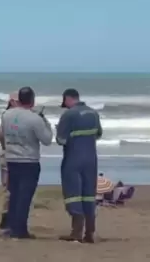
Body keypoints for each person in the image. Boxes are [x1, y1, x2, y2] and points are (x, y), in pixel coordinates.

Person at [0, 87, 52, 239]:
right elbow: (47, 139)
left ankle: (13, 226)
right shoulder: (34, 118)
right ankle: (20, 229)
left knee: (14, 194)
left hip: (12, 159)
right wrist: (45, 121)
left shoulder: (6, 115)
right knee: (25, 196)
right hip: (29, 160)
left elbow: (2, 132)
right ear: (32, 100)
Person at [56, 88, 102, 244]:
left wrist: (59, 131)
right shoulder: (93, 113)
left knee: (73, 194)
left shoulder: (68, 115)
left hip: (73, 159)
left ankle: (76, 232)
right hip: (91, 159)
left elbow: (61, 140)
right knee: (89, 195)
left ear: (68, 99)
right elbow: (99, 134)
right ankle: (90, 232)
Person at [0, 91, 18, 230]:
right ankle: (7, 216)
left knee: (10, 187)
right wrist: (6, 146)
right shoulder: (9, 116)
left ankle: (8, 216)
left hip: (10, 154)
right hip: (8, 155)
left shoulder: (10, 115)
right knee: (9, 187)